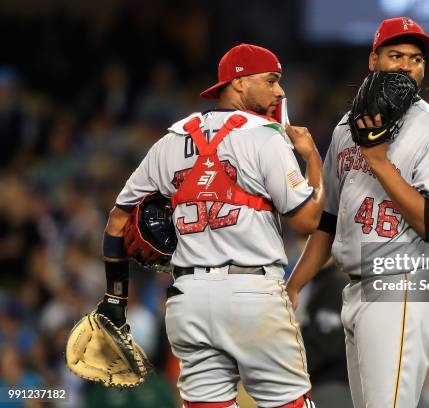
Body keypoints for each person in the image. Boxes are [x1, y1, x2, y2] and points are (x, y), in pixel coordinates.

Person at [98, 43, 323, 408]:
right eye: (271, 80)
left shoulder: (171, 140)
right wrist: (312, 157)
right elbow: (307, 221)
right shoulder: (266, 135)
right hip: (253, 292)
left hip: (189, 298)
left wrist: (116, 297)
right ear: (238, 83)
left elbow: (118, 219)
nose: (280, 91)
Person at [287, 17, 429, 408]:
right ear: (373, 60)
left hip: (403, 282)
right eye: (395, 55)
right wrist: (294, 286)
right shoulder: (345, 129)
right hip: (356, 286)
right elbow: (328, 221)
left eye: (415, 59)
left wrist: (379, 161)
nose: (406, 66)